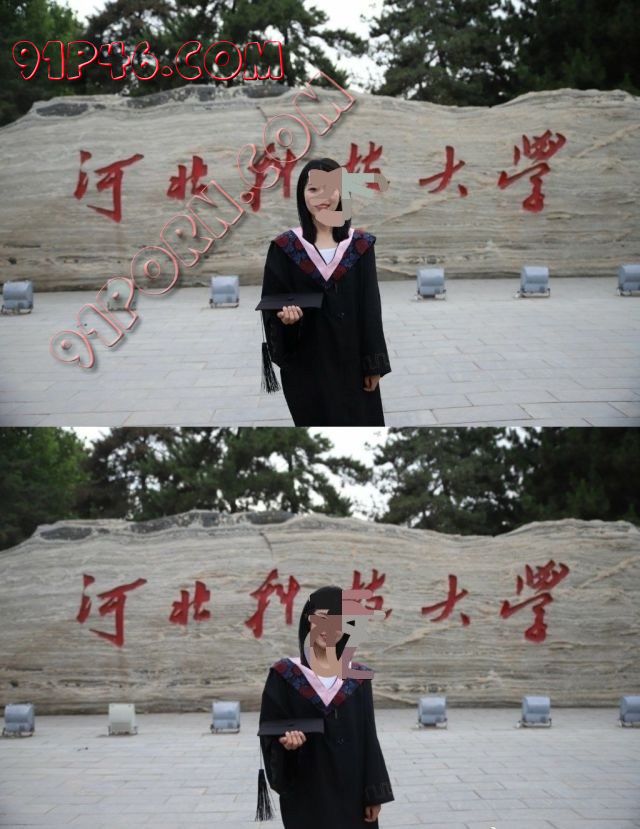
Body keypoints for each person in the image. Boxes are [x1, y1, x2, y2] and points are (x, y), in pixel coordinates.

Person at [259, 157, 391, 426]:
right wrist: (286, 321)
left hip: (353, 364)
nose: (322, 197)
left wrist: (374, 364)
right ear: (302, 195)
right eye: (313, 189)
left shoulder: (360, 245)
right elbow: (272, 304)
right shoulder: (285, 247)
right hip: (307, 365)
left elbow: (370, 307)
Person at [257, 585, 394, 828]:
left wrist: (374, 793)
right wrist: (286, 746)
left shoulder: (357, 677)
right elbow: (271, 730)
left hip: (353, 792)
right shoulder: (284, 675)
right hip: (307, 792)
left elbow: (368, 736)